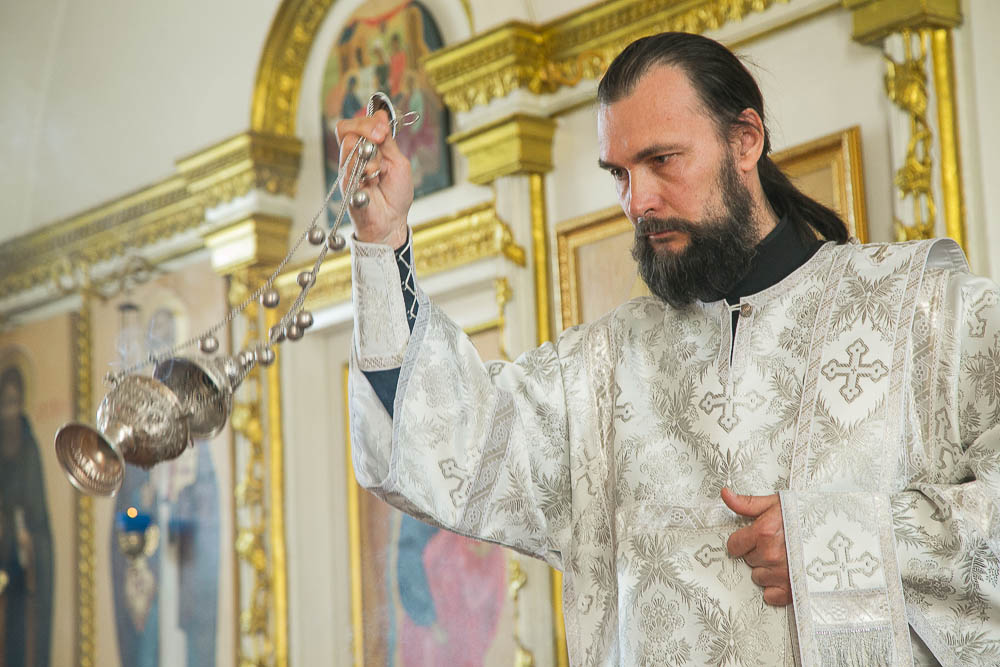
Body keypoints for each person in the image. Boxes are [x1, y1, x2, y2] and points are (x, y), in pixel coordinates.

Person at [337, 31, 1000, 665]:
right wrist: (381, 240)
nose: (638, 201)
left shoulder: (927, 312)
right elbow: (449, 439)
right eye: (619, 173)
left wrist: (833, 538)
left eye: (661, 161)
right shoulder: (601, 368)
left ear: (745, 140)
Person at [0, 365, 53, 667]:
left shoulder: (29, 449)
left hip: (23, 560)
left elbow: (37, 514)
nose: (10, 411)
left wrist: (27, 539)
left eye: (15, 402)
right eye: (5, 403)